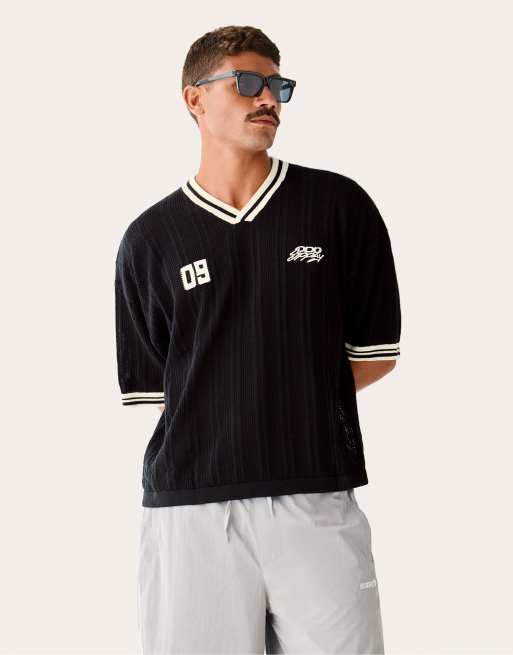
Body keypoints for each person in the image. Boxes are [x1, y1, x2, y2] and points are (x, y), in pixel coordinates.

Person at [114, 24, 401, 655]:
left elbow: (375, 354)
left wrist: (289, 400)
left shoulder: (338, 206)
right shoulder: (149, 239)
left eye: (277, 85)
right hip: (191, 510)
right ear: (195, 98)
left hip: (315, 495)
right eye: (247, 82)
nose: (268, 98)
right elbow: (161, 389)